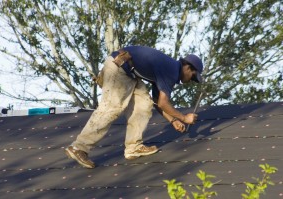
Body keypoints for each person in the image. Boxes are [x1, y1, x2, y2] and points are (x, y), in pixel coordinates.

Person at [65, 46, 204, 169]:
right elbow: (163, 102)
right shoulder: (172, 71)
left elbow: (157, 101)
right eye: (193, 76)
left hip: (128, 72)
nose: (191, 80)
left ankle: (133, 147)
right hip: (118, 68)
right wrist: (184, 118)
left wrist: (173, 120)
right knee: (111, 108)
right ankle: (79, 147)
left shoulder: (168, 68)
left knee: (143, 104)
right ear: (187, 67)